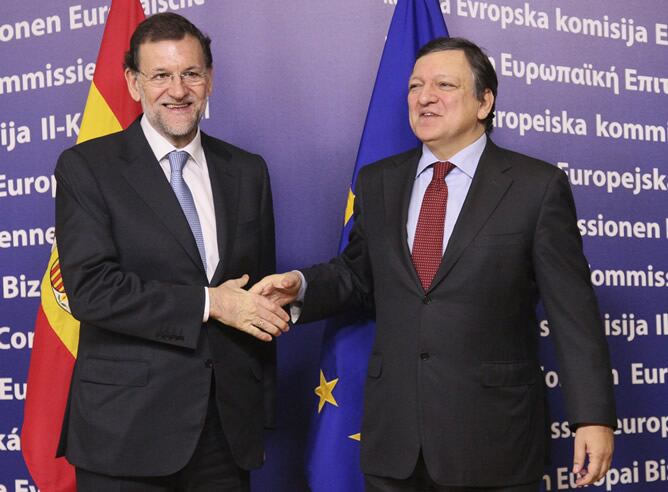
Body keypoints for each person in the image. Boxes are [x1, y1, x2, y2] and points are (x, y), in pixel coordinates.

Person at [252, 37, 616, 492]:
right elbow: (358, 274)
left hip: (494, 440)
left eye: (444, 84)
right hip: (394, 441)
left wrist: (594, 417)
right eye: (415, 86)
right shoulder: (378, 181)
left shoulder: (535, 187)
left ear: (485, 101)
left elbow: (574, 314)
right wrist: (302, 287)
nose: (424, 97)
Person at [54, 12, 289, 492]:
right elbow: (92, 291)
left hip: (226, 436)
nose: (177, 89)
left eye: (191, 73)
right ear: (134, 84)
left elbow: (254, 297)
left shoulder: (247, 171)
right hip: (126, 434)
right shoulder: (87, 168)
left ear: (210, 80)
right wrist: (210, 302)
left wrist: (258, 410)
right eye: (161, 75)